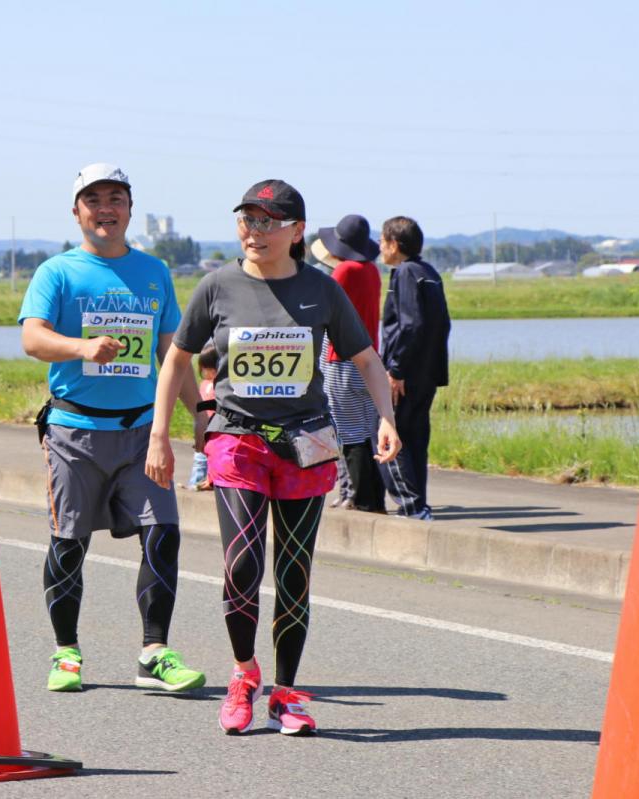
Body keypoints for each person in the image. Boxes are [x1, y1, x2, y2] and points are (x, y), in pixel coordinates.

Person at [146, 179, 401, 736]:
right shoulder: (216, 287)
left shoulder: (323, 290)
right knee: (242, 564)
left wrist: (386, 416)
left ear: (296, 231)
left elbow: (365, 359)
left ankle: (285, 692)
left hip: (305, 445)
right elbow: (176, 361)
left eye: (268, 221)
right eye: (247, 219)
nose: (254, 231)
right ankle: (243, 673)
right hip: (236, 438)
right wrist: (160, 433)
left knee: (293, 575)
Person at [19, 163, 206, 695]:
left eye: (116, 198)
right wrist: (81, 348)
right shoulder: (57, 272)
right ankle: (67, 653)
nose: (106, 208)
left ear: (130, 207)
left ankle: (155, 652)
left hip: (143, 432)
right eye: (94, 199)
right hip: (73, 432)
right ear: (76, 211)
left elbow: (172, 352)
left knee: (162, 535)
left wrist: (201, 411)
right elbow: (33, 339)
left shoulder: (154, 272)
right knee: (70, 543)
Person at [377, 216, 451, 521]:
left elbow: (410, 325)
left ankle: (411, 507)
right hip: (427, 373)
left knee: (389, 434)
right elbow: (440, 324)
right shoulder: (428, 271)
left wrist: (396, 369)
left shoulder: (406, 272)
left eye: (383, 241)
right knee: (416, 439)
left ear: (394, 244)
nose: (380, 247)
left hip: (405, 374)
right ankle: (419, 506)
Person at [313, 216, 387, 513]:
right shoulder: (371, 270)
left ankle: (358, 497)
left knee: (348, 432)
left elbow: (323, 310)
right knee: (368, 431)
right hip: (368, 359)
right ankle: (373, 497)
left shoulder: (343, 271)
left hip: (340, 360)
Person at [186, 346, 218, 491]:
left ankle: (211, 483)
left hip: (215, 430)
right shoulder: (203, 384)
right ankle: (195, 483)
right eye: (204, 368)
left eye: (212, 368)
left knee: (214, 459)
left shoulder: (220, 386)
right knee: (199, 459)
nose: (207, 372)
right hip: (202, 428)